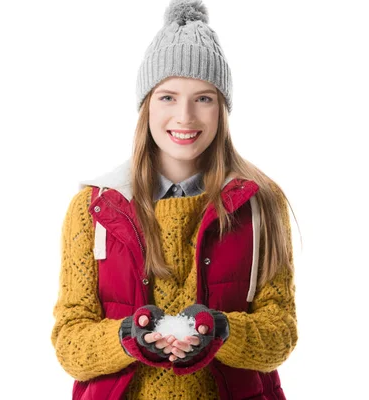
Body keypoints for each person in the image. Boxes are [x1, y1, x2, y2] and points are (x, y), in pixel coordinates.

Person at [50, 0, 298, 398]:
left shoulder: (261, 205)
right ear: (146, 104)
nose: (185, 116)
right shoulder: (92, 210)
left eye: (204, 98)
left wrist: (221, 330)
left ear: (222, 109)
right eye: (168, 97)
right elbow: (70, 343)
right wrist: (129, 336)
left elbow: (280, 334)